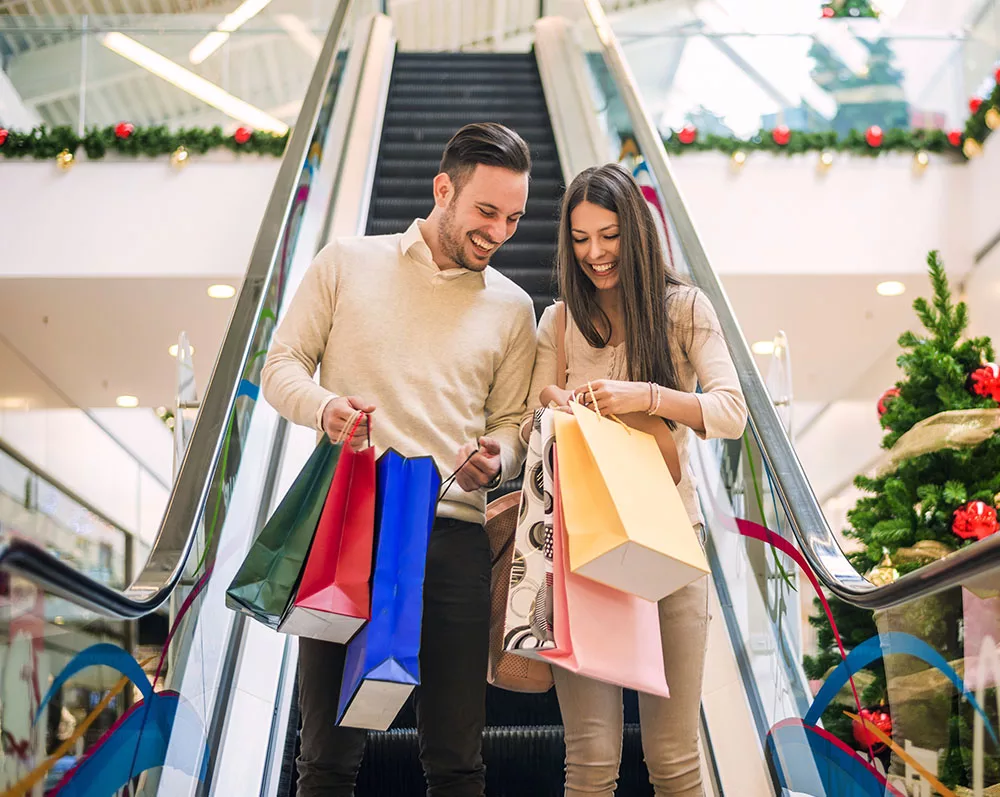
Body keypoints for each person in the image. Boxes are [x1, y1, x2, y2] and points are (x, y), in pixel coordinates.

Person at [261, 122, 538, 797]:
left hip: (454, 537)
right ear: (444, 188)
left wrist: (496, 456)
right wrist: (325, 408)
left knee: (457, 760)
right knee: (325, 757)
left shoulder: (513, 308)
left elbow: (511, 425)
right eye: (485, 211)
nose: (500, 231)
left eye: (514, 217)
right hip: (350, 524)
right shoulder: (344, 262)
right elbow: (282, 365)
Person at [523, 163, 747, 796]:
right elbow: (525, 435)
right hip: (580, 551)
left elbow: (730, 412)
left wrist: (645, 395)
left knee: (674, 759)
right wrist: (549, 410)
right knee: (590, 760)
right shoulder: (559, 322)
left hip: (671, 545)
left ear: (638, 234)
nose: (595, 253)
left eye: (610, 235)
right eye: (581, 238)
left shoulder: (683, 310)